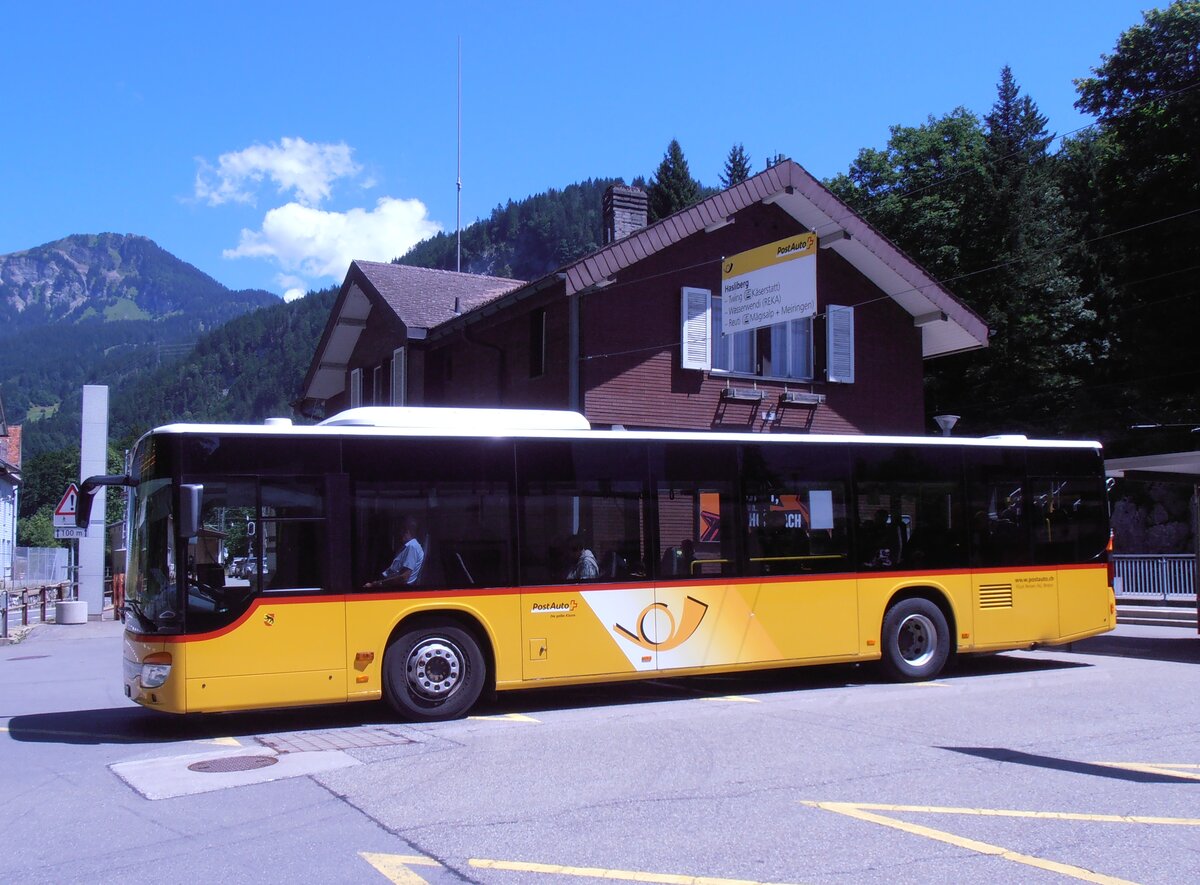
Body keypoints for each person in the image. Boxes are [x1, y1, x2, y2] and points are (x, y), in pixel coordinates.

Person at [367, 516, 424, 588]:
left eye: (402, 530)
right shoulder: (408, 547)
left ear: (407, 531)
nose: (400, 534)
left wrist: (377, 584)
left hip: (395, 588)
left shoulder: (412, 547)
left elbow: (404, 577)